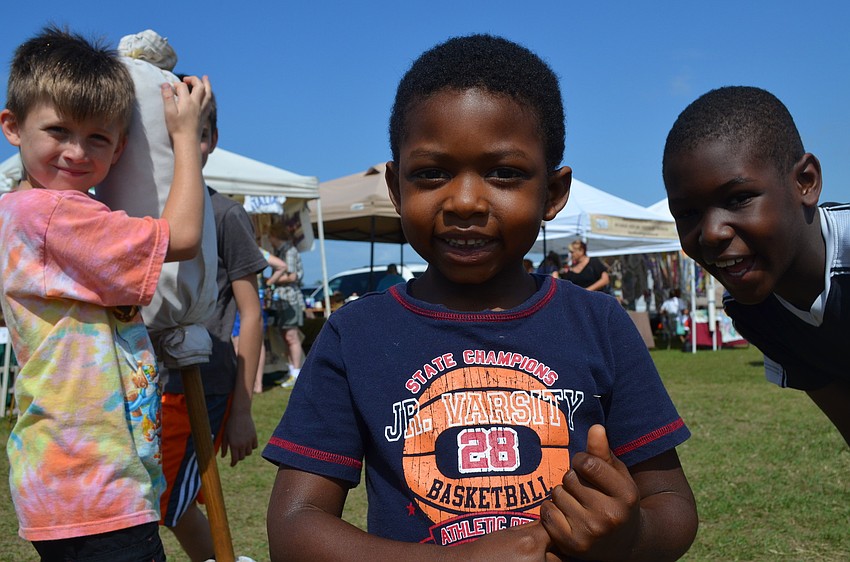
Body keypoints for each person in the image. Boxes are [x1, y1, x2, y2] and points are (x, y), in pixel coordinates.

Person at [263, 34, 697, 561]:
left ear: (553, 194)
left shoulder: (599, 322)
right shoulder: (354, 336)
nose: (465, 201)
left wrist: (630, 535)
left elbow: (672, 506)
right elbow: (295, 527)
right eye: (432, 174)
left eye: (503, 173)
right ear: (396, 189)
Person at [0, 26, 209, 560]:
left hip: (76, 482)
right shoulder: (54, 215)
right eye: (59, 130)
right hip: (91, 483)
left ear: (120, 148)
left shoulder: (25, 213)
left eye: (98, 137)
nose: (76, 151)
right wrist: (185, 140)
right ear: (13, 126)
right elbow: (184, 237)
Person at [663, 85, 850, 446]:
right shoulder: (752, 310)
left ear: (806, 182)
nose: (712, 233)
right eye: (686, 214)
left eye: (739, 198)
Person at [158, 81, 267, 561]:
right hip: (151, 380)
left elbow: (251, 312)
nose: (186, 143)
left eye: (198, 133)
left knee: (165, 497)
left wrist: (242, 410)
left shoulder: (225, 215)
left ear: (212, 139)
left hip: (206, 382)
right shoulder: (146, 210)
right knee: (164, 495)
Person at [266, 221, 305, 388]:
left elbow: (292, 276)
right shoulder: (281, 251)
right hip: (283, 300)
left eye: (270, 236)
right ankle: (291, 371)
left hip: (290, 300)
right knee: (285, 337)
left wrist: (271, 281)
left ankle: (296, 372)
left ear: (275, 236)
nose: (269, 240)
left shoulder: (289, 251)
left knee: (291, 337)